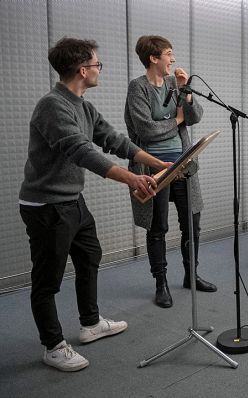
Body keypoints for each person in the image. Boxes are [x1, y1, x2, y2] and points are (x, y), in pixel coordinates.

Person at [19, 37, 169, 371]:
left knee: (89, 257)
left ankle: (90, 323)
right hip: (45, 206)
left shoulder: (83, 105)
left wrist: (157, 164)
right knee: (47, 279)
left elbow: (114, 140)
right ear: (82, 69)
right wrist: (132, 179)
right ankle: (53, 345)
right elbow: (82, 152)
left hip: (72, 201)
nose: (99, 69)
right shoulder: (52, 105)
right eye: (97, 64)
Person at [125, 35, 216, 309]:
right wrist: (176, 119)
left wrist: (185, 90)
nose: (173, 59)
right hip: (153, 169)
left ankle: (191, 275)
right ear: (154, 58)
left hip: (184, 164)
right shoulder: (137, 88)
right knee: (157, 227)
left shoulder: (173, 84)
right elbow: (146, 131)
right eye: (168, 53)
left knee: (192, 223)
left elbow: (195, 116)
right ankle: (161, 283)